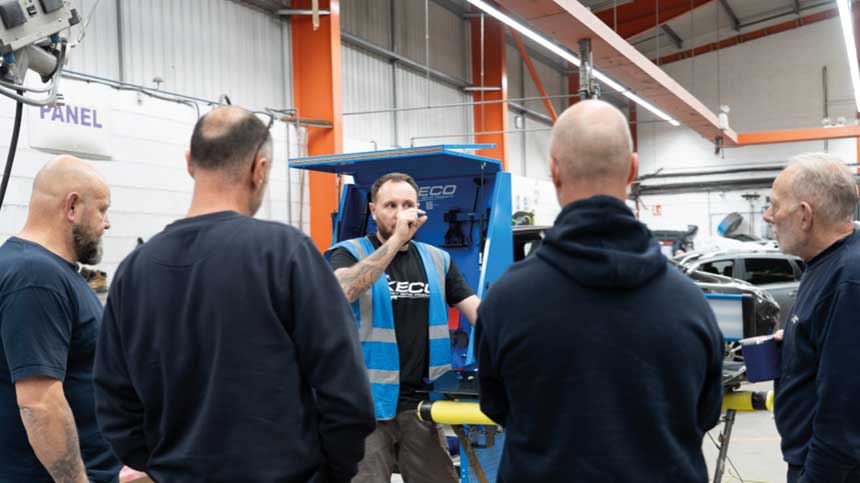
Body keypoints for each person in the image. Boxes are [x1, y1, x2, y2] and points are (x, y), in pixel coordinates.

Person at [93, 106, 375, 482]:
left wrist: (161, 465)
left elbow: (115, 405)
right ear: (259, 169)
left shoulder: (134, 271)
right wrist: (330, 472)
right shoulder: (286, 254)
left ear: (189, 162)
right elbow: (347, 394)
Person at [476, 100, 724, 482]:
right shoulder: (691, 303)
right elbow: (705, 413)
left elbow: (497, 406)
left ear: (554, 170)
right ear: (633, 169)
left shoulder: (505, 301)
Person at [327, 172, 480, 483]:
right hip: (366, 406)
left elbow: (480, 314)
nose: (400, 213)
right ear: (373, 210)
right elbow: (342, 291)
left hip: (420, 406)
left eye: (408, 204)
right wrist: (397, 239)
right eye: (391, 205)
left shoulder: (438, 260)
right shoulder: (348, 253)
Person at [0, 155, 120, 482]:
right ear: (72, 207)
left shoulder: (44, 271)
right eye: (102, 210)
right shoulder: (36, 277)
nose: (107, 223)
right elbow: (39, 402)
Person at [764, 153, 860, 483]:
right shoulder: (824, 264)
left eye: (775, 205)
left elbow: (844, 415)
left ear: (805, 215)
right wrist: (796, 344)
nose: (768, 216)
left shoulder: (849, 281)